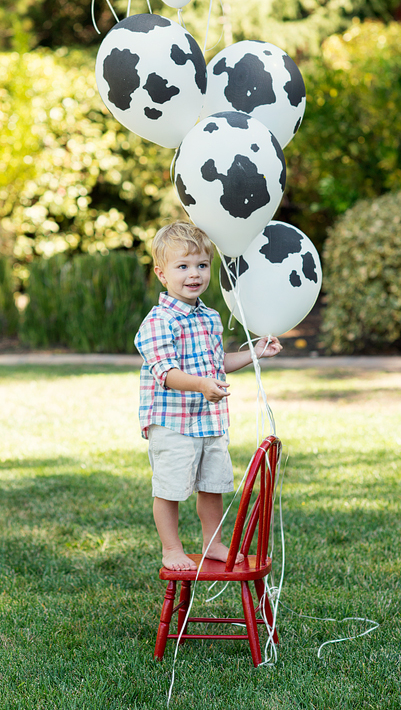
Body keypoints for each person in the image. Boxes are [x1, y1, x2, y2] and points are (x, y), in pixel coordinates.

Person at [135, 221, 282, 571]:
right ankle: (171, 549)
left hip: (210, 421)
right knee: (170, 489)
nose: (194, 274)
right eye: (182, 266)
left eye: (201, 265)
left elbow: (219, 364)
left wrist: (254, 353)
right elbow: (166, 373)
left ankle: (211, 542)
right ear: (162, 274)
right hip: (172, 423)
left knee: (211, 485)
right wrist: (202, 385)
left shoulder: (210, 317)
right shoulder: (158, 321)